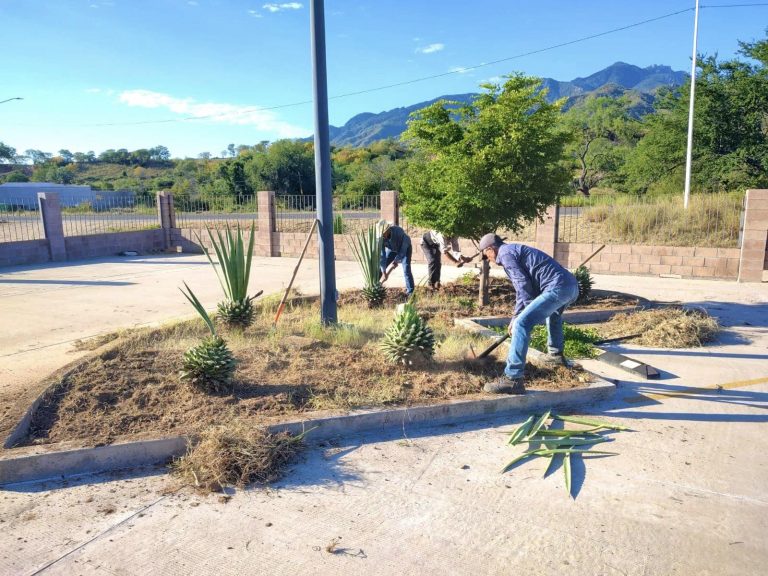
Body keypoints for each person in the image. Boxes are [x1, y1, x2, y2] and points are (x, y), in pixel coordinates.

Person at [478, 233, 579, 395]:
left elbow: (523, 286)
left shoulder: (505, 254)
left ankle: (513, 378)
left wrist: (517, 318)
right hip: (571, 286)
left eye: (485, 255)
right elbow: (526, 288)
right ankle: (556, 356)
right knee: (553, 315)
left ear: (490, 249)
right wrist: (517, 314)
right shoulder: (513, 250)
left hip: (558, 287)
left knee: (521, 324)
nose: (487, 259)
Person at [378, 220, 415, 296]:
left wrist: (395, 261)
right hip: (392, 249)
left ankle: (410, 292)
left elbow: (402, 250)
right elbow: (382, 255)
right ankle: (376, 287)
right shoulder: (381, 238)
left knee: (406, 269)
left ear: (388, 230)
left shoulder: (398, 231)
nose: (382, 235)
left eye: (383, 232)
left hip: (406, 248)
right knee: (380, 269)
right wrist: (384, 271)